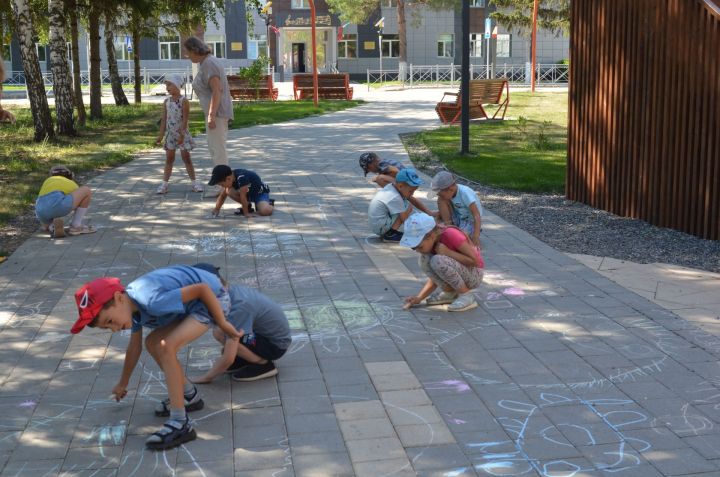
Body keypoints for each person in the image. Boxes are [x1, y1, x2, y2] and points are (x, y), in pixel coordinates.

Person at [70, 265, 241, 451]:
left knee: (166, 346)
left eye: (110, 321)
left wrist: (223, 323)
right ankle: (190, 396)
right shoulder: (131, 307)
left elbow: (202, 289)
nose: (114, 329)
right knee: (152, 342)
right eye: (106, 328)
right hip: (192, 304)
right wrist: (123, 383)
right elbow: (134, 347)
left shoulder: (150, 300)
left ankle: (180, 422)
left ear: (119, 298)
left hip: (213, 299)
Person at [190, 264, 291, 383]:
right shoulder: (232, 292)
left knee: (222, 334)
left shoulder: (238, 307)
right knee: (222, 331)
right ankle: (247, 358)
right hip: (263, 337)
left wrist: (207, 377)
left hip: (273, 346)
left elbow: (228, 356)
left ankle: (263, 364)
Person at [401, 212, 484, 312]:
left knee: (437, 260)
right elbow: (438, 274)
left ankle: (466, 295)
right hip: (461, 271)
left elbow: (475, 261)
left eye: (420, 246)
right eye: (414, 248)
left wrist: (448, 253)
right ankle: (450, 294)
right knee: (424, 259)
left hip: (474, 274)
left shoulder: (451, 234)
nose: (418, 250)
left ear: (431, 236)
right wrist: (419, 298)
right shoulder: (432, 244)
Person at [183, 36, 233, 195]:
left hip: (216, 114)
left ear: (195, 50)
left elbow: (217, 91)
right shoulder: (207, 63)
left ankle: (223, 186)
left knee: (218, 150)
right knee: (215, 148)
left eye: (188, 52)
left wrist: (211, 115)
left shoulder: (209, 64)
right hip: (215, 113)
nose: (187, 56)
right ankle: (222, 184)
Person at [155, 74, 203, 194]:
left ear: (177, 85)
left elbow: (185, 120)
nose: (167, 87)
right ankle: (164, 184)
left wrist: (182, 135)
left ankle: (195, 183)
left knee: (186, 158)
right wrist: (161, 135)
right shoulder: (166, 102)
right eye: (166, 85)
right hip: (170, 135)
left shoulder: (184, 101)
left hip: (182, 135)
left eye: (170, 84)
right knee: (169, 159)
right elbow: (164, 120)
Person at [367, 168, 435, 243]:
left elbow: (413, 200)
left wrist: (429, 212)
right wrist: (417, 233)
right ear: (400, 186)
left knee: (406, 203)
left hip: (377, 224)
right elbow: (405, 220)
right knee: (407, 206)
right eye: (411, 191)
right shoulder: (395, 197)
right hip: (380, 226)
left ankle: (390, 231)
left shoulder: (392, 187)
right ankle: (391, 234)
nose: (412, 193)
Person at [35, 165, 95, 238]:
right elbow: (79, 200)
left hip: (40, 210)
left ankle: (52, 227)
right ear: (70, 176)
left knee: (46, 224)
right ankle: (76, 226)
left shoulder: (47, 181)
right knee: (86, 190)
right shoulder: (70, 182)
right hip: (57, 205)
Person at [428, 171, 483, 247]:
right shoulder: (450, 193)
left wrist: (476, 236)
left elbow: (476, 215)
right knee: (441, 200)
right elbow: (445, 201)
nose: (441, 196)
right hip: (459, 216)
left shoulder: (465, 193)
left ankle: (460, 233)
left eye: (442, 195)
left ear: (450, 189)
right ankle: (449, 226)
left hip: (470, 221)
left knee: (459, 239)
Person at [208, 165, 274, 218]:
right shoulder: (230, 176)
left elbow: (243, 197)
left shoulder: (242, 178)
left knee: (265, 211)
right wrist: (217, 209)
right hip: (248, 194)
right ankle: (248, 206)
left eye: (222, 184)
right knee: (228, 191)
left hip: (259, 194)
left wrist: (246, 214)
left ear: (228, 178)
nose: (222, 186)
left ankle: (269, 202)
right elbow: (222, 196)